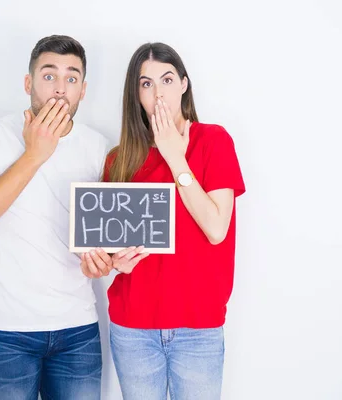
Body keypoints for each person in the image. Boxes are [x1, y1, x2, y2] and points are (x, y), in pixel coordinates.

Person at [82, 42, 246, 400]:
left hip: (197, 328)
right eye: (146, 84)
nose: (158, 93)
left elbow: (216, 229)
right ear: (135, 94)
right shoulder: (120, 159)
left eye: (167, 80)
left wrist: (176, 158)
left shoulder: (214, 141)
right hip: (134, 328)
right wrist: (113, 263)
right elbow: (113, 250)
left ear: (184, 84)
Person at [0, 34, 110, 400]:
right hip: (6, 332)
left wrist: (104, 261)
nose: (60, 88)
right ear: (28, 83)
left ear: (83, 90)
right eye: (49, 75)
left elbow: (104, 238)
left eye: (72, 78)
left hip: (78, 331)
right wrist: (35, 153)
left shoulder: (98, 146)